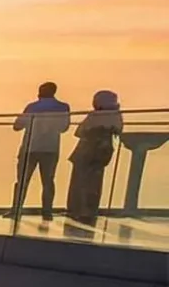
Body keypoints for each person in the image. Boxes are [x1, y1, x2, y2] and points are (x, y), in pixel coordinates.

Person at [10, 82, 72, 219]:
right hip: (51, 148)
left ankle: (16, 210)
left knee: (22, 181)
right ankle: (47, 211)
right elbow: (64, 128)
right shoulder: (63, 107)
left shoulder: (32, 107)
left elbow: (17, 126)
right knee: (48, 181)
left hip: (30, 147)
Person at [66, 90, 125, 225]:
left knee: (79, 182)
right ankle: (90, 210)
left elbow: (79, 131)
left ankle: (76, 210)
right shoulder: (117, 116)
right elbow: (119, 130)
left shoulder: (95, 115)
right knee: (95, 183)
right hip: (102, 154)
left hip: (85, 152)